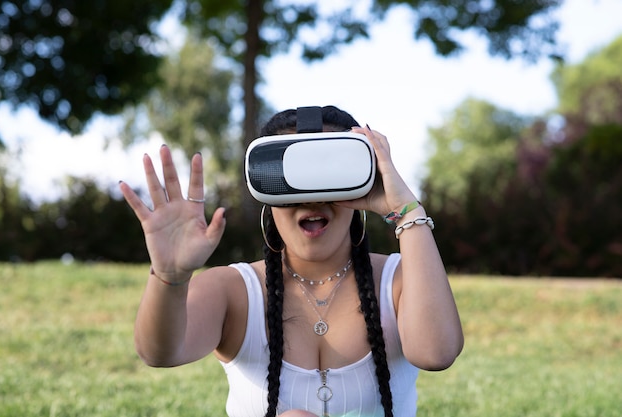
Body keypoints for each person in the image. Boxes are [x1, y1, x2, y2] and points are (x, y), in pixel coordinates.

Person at [119, 105, 464, 417]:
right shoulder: (234, 290)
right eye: (290, 180)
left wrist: (407, 212)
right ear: (266, 190)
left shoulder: (402, 281)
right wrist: (170, 276)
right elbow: (160, 353)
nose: (311, 198)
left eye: (329, 177)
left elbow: (436, 353)